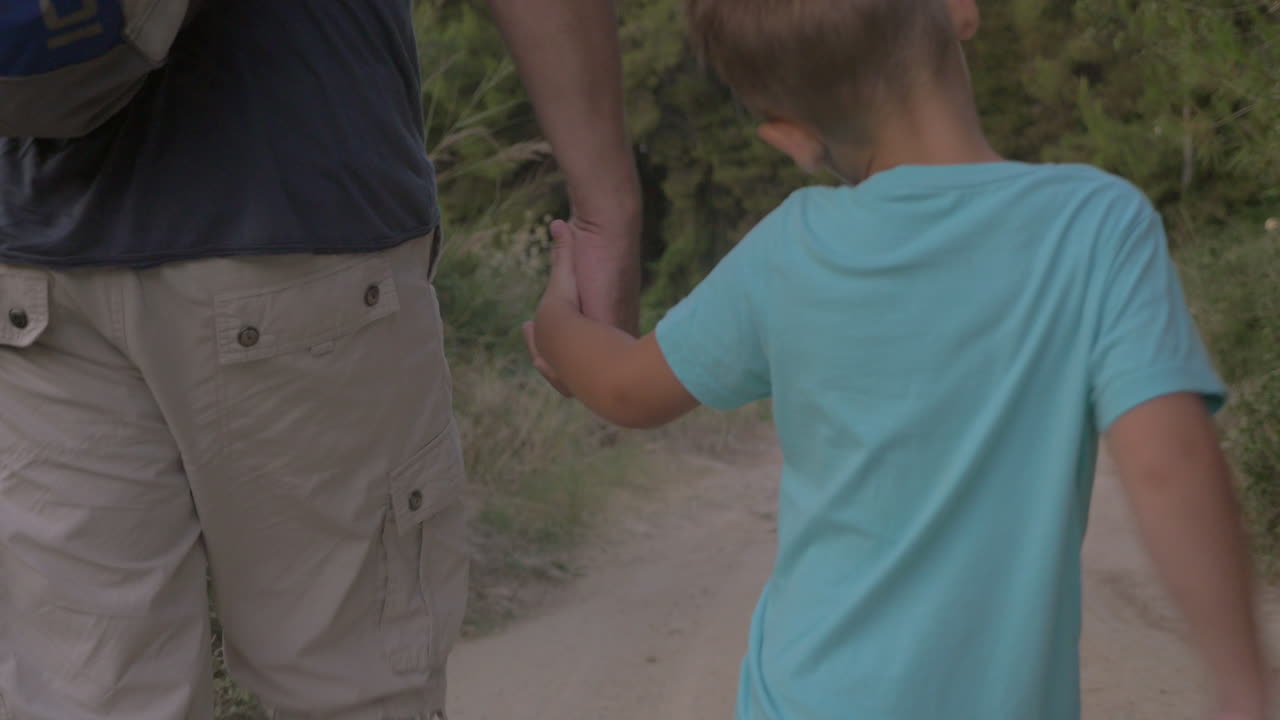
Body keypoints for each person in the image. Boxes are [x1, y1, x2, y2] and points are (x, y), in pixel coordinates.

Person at [523, 0, 1271, 717]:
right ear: (962, 7)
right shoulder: (1095, 225)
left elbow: (625, 388)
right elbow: (1167, 463)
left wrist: (557, 321)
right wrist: (1243, 687)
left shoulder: (792, 248)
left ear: (789, 135)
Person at [0, 1, 640, 719]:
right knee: (349, 685)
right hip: (302, 215)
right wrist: (603, 213)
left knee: (85, 700)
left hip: (35, 271)